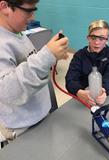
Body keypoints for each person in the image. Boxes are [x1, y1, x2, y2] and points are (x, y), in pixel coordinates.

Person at [0, 0, 69, 146]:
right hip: (23, 128)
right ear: (4, 7)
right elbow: (8, 92)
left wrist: (50, 54)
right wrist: (46, 57)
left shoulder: (17, 32)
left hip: (40, 116)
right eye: (28, 11)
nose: (32, 17)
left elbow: (26, 64)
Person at [65, 19, 109, 106]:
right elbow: (70, 79)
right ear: (88, 38)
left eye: (101, 38)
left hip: (101, 95)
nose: (96, 42)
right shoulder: (79, 55)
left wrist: (105, 90)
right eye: (93, 37)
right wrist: (79, 92)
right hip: (83, 98)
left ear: (107, 40)